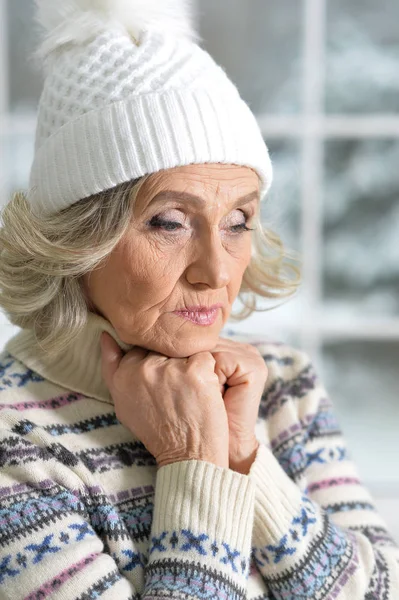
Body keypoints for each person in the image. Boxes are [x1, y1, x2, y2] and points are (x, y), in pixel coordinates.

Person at [0, 1, 398, 598]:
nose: (216, 271)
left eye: (238, 220)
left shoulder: (281, 384)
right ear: (77, 240)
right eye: (168, 221)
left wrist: (245, 457)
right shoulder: (16, 444)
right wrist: (195, 464)